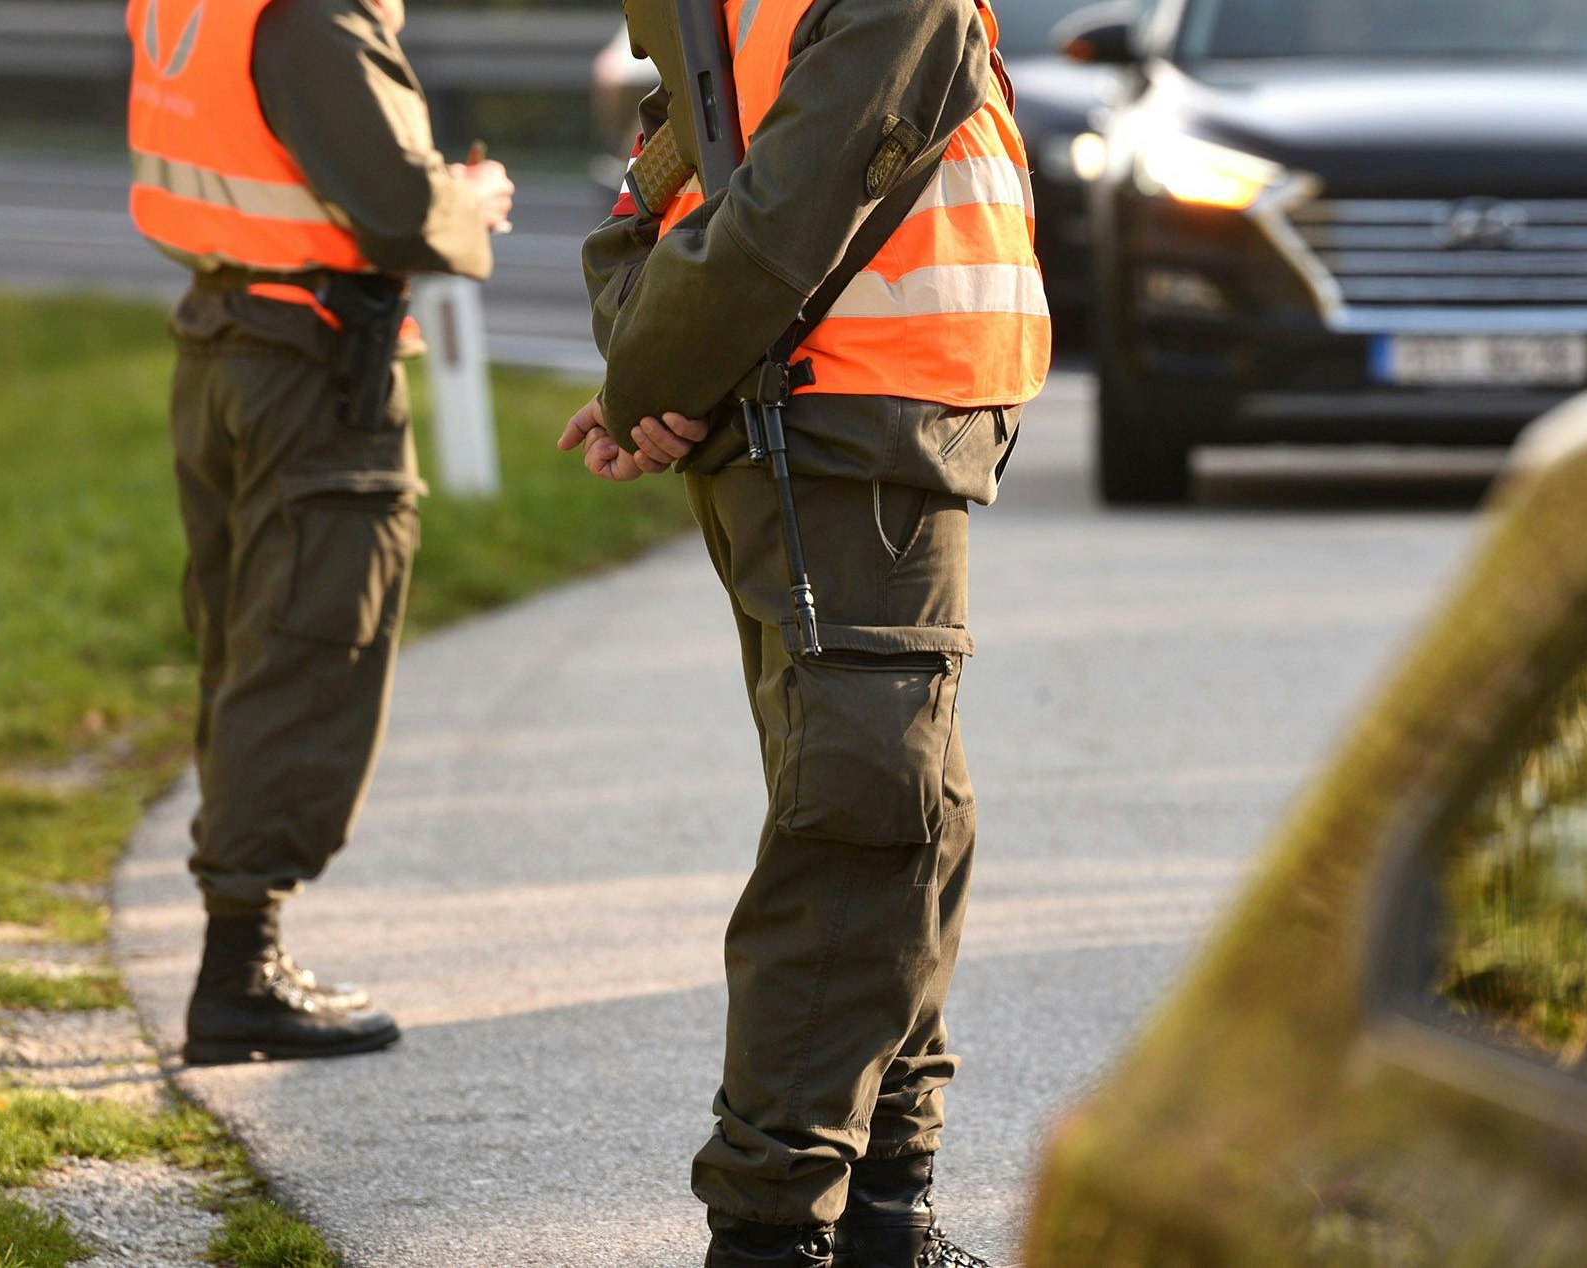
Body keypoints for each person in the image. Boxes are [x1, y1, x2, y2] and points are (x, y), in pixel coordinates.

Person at [559, 0, 1050, 1258]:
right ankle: (773, 1227)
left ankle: (888, 1205)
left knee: (904, 811)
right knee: (865, 818)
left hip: (814, 430)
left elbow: (664, 190)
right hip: (843, 433)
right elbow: (770, 214)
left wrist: (657, 378)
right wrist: (653, 382)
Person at [124, 0, 513, 1065]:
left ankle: (242, 952)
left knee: (249, 646)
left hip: (224, 337)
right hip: (309, 368)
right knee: (305, 648)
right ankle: (240, 973)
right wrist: (469, 201)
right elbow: (391, 202)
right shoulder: (313, 12)